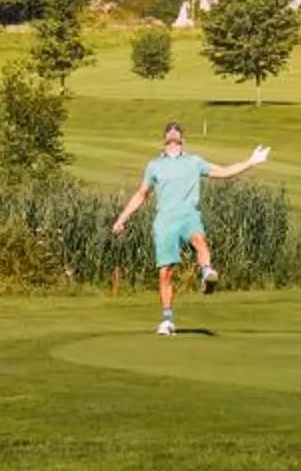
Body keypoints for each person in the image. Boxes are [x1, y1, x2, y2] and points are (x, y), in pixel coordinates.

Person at [110, 122, 269, 337]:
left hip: (188, 215)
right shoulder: (154, 165)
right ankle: (167, 320)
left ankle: (206, 273)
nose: (173, 136)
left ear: (182, 141)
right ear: (165, 141)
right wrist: (122, 219)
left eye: (177, 134)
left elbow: (223, 172)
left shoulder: (194, 162)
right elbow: (141, 194)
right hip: (165, 221)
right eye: (170, 133)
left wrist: (251, 161)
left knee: (198, 238)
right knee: (165, 272)